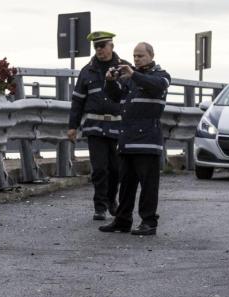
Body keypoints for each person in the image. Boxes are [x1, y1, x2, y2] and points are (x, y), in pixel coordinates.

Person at [99, 42, 171, 236]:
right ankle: (123, 220)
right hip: (127, 139)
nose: (137, 59)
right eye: (135, 56)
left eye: (141, 56)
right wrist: (110, 82)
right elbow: (115, 97)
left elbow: (155, 86)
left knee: (148, 185)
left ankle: (148, 222)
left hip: (147, 141)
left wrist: (133, 74)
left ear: (151, 55)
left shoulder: (160, 76)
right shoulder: (130, 79)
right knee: (126, 184)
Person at [68, 31, 130, 220]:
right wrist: (73, 126)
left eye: (103, 45)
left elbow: (133, 94)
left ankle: (112, 200)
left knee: (116, 170)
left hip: (118, 127)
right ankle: (100, 206)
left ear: (112, 46)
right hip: (95, 127)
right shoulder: (87, 71)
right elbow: (78, 101)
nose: (100, 50)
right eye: (96, 47)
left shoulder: (125, 68)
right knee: (100, 169)